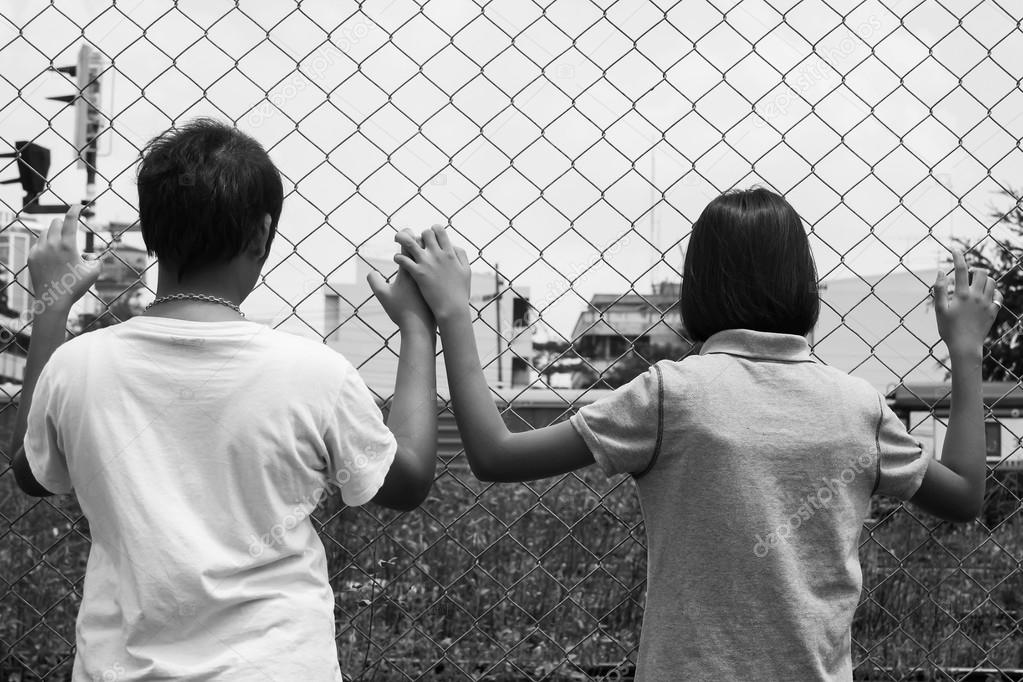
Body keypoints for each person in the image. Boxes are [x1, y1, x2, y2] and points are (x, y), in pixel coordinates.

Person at [392, 187, 1001, 681]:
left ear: (698, 285)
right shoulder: (858, 407)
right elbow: (966, 494)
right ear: (805, 282)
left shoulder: (671, 394)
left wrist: (453, 313)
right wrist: (966, 351)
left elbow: (495, 454)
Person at [9, 118, 438, 681]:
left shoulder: (79, 365)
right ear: (262, 235)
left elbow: (30, 471)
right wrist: (415, 328)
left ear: (152, 231)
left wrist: (52, 305)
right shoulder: (312, 373)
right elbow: (405, 481)